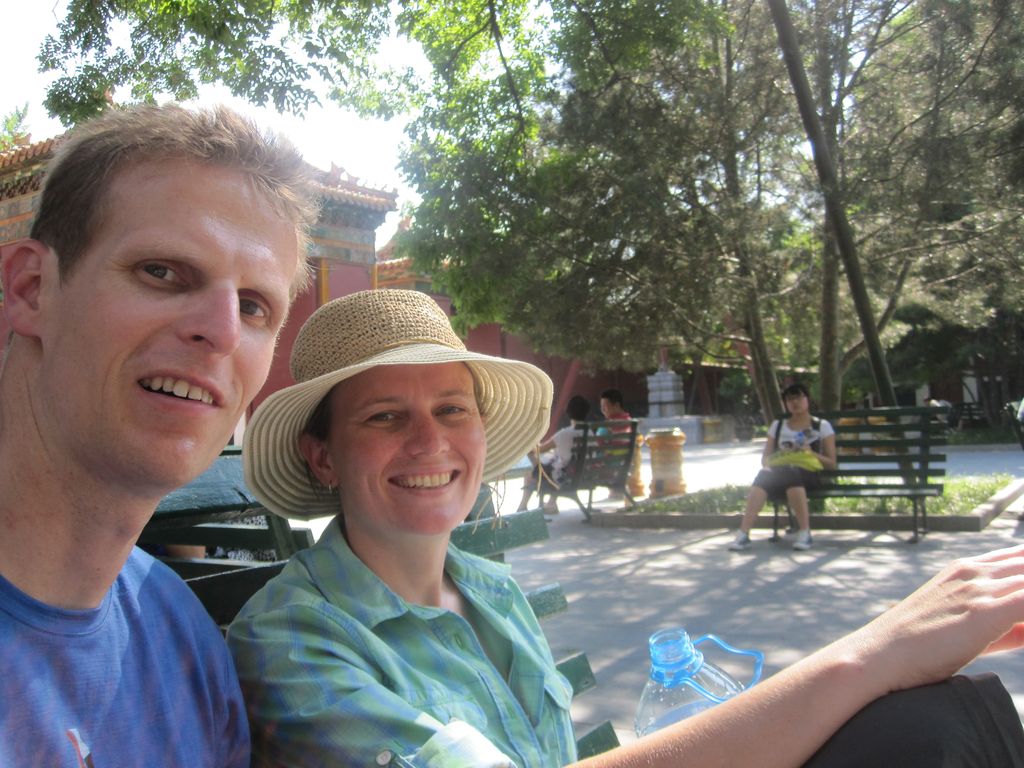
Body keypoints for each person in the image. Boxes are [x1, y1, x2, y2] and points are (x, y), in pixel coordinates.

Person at [229, 289, 1024, 768]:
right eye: (384, 416)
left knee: (942, 717)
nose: (430, 442)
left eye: (452, 409)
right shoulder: (292, 644)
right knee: (932, 730)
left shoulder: (491, 589)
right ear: (322, 456)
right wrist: (867, 656)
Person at [0, 102, 318, 767]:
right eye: (163, 272)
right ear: (31, 289)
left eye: (254, 307)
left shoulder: (183, 639)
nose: (221, 332)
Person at [729, 382, 836, 552]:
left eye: (799, 397)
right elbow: (765, 458)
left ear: (807, 399)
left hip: (808, 474)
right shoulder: (777, 426)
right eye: (790, 399)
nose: (795, 402)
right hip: (779, 473)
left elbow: (831, 463)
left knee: (791, 473)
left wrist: (810, 453)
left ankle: (805, 532)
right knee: (763, 475)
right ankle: (743, 533)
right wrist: (776, 459)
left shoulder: (821, 426)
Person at [516, 394, 590, 513]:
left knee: (531, 471)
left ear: (568, 412)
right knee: (554, 464)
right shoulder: (590, 433)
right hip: (583, 476)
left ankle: (523, 506)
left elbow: (538, 450)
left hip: (563, 477)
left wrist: (530, 438)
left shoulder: (564, 434)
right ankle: (551, 504)